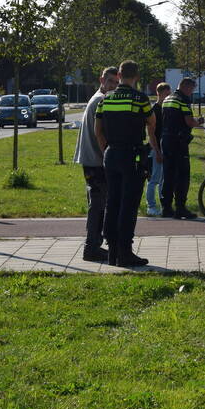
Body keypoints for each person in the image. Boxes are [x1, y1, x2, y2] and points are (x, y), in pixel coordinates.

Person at [95, 60, 161, 267]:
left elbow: (98, 131)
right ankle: (125, 252)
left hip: (110, 155)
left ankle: (112, 251)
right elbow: (152, 124)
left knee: (112, 203)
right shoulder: (140, 99)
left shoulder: (106, 99)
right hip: (131, 156)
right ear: (137, 76)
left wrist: (106, 150)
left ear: (120, 74)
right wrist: (155, 149)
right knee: (128, 206)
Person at [72, 66, 119, 262]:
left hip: (91, 160)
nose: (113, 86)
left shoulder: (97, 97)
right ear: (102, 80)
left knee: (98, 204)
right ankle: (91, 247)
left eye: (116, 83)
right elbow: (102, 136)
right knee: (98, 205)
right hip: (96, 161)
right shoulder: (101, 100)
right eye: (110, 82)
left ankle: (94, 245)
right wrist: (109, 159)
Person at [160, 77, 205, 219]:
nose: (192, 93)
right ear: (186, 87)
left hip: (166, 139)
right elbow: (189, 121)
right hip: (178, 142)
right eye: (192, 89)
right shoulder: (183, 100)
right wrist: (199, 121)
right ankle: (180, 208)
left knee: (168, 175)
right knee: (182, 175)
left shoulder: (168, 99)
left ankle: (166, 207)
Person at [143, 82, 171, 216]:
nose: (168, 96)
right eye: (166, 94)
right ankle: (151, 206)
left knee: (162, 180)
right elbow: (151, 133)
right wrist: (157, 151)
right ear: (159, 93)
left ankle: (163, 204)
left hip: (164, 148)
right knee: (154, 179)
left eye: (169, 94)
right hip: (156, 148)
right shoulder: (155, 109)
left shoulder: (166, 108)